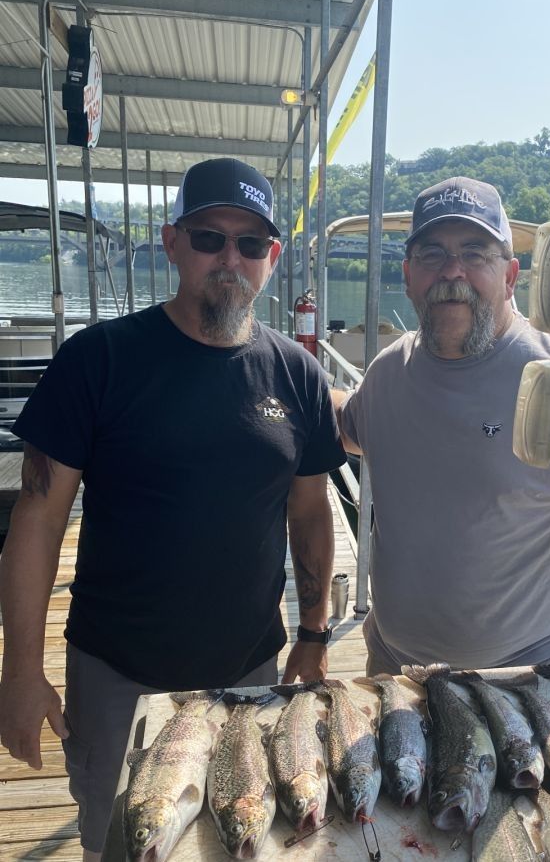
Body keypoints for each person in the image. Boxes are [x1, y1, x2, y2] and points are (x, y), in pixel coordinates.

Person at [0, 157, 346, 860]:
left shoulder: (296, 373)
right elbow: (36, 523)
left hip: (247, 670)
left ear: (272, 258)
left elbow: (310, 513)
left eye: (251, 244)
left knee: (234, 840)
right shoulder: (99, 359)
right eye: (209, 236)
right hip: (115, 673)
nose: (231, 257)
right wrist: (21, 672)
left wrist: (313, 634)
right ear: (172, 242)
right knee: (118, 841)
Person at [332, 176, 550, 677]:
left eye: (475, 253)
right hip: (390, 664)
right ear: (409, 275)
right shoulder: (389, 371)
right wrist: (285, 379)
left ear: (511, 275)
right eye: (432, 254)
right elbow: (349, 429)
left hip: (524, 677)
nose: (452, 271)